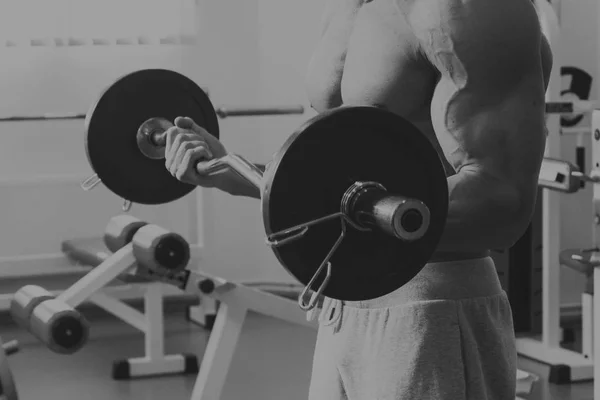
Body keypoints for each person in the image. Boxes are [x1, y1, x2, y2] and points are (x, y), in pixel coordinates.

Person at [165, 0, 552, 398]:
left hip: (430, 305)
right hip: (345, 301)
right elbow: (341, 179)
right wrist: (238, 172)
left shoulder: (471, 10)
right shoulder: (345, 9)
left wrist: (360, 212)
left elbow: (502, 200)